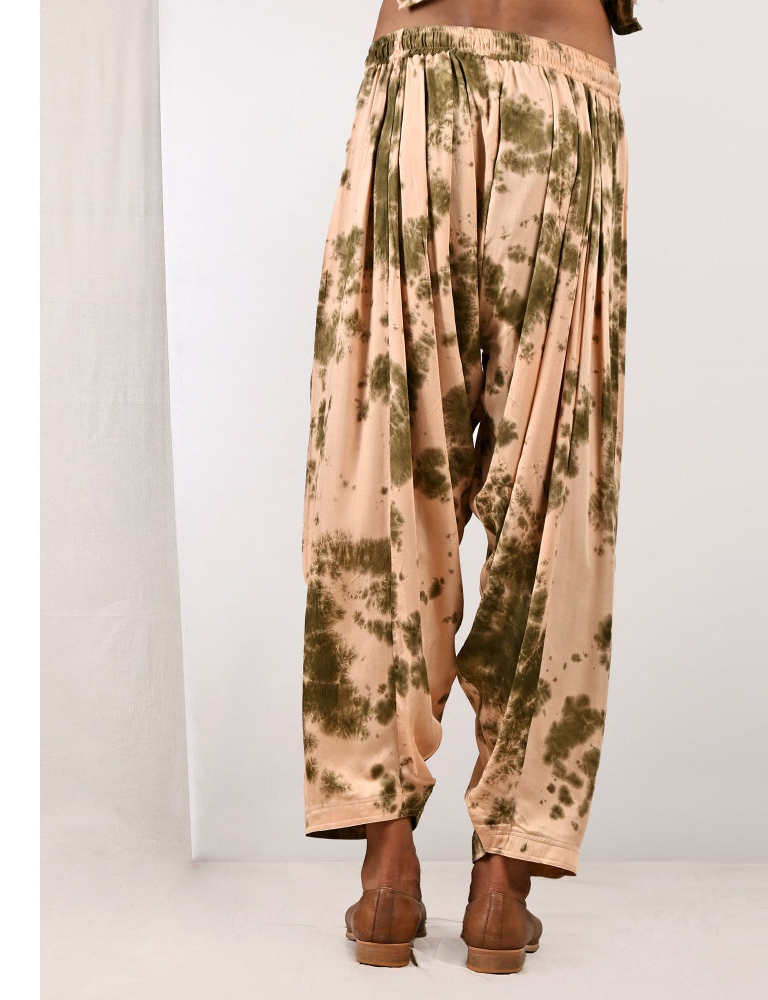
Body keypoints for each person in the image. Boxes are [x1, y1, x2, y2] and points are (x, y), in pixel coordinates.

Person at [300, 0, 640, 973]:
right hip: (565, 93)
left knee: (382, 472)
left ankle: (387, 870)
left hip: (421, 81)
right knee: (558, 486)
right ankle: (502, 882)